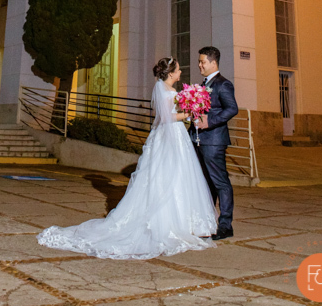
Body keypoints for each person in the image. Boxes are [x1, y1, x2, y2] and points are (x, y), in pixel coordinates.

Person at [37, 57, 217, 259]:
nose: (181, 72)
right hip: (171, 136)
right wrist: (190, 112)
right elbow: (168, 117)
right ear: (171, 73)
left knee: (167, 176)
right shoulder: (169, 91)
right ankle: (171, 224)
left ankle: (177, 222)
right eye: (178, 69)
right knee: (171, 176)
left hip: (167, 136)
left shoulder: (161, 89)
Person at [193, 46, 238, 240]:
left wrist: (209, 121)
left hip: (214, 141)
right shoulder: (204, 84)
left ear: (213, 63)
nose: (199, 64)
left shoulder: (223, 84)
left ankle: (226, 225)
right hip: (200, 140)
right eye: (199, 61)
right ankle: (208, 222)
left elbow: (232, 109)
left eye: (203, 61)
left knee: (220, 182)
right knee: (206, 182)